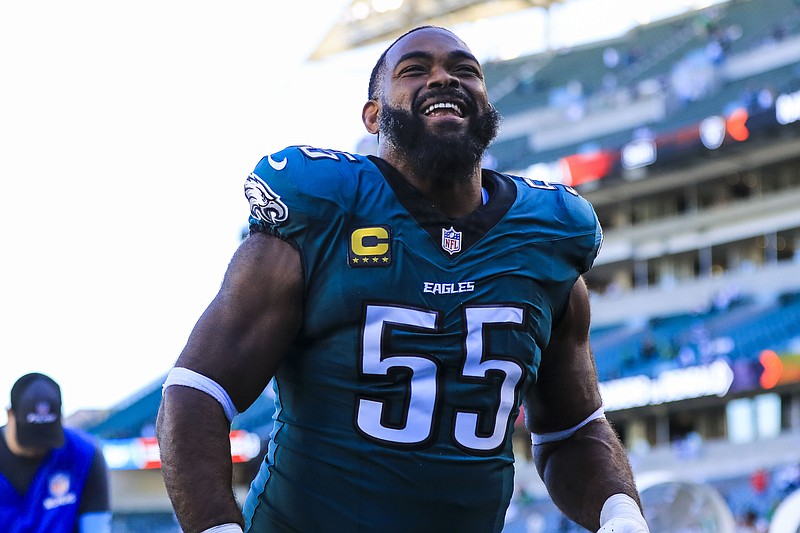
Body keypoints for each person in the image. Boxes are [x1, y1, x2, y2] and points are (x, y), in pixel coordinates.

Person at [157, 26, 649, 533]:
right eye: (415, 70)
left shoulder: (546, 236)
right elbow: (197, 391)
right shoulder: (325, 210)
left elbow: (572, 431)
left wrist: (621, 517)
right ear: (373, 115)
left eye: (465, 71)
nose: (444, 79)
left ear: (486, 107)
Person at [1, 372, 111, 532]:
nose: (38, 445)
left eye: (46, 435)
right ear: (10, 415)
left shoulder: (84, 454)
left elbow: (96, 527)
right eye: (31, 436)